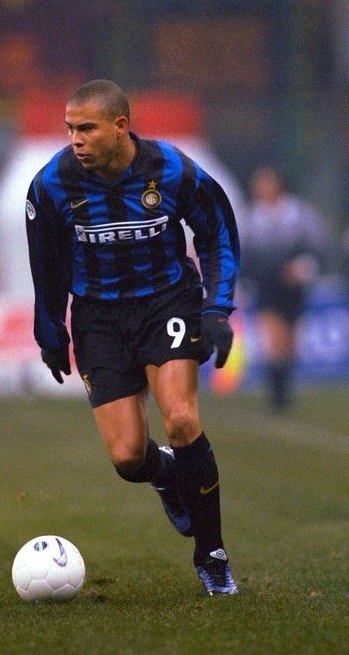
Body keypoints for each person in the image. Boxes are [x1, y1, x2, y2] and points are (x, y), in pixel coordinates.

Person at [25, 80, 240, 596]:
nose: (75, 139)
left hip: (166, 301)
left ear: (121, 126)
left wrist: (217, 309)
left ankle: (211, 554)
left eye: (87, 128)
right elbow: (46, 264)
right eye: (70, 129)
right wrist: (50, 328)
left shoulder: (173, 170)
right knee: (127, 458)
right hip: (98, 317)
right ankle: (166, 474)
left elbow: (218, 232)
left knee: (183, 419)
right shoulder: (50, 184)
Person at [241, 166, 330, 412]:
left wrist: (305, 268)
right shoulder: (253, 218)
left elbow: (318, 248)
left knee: (289, 345)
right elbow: (245, 255)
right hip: (266, 287)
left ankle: (284, 392)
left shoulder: (299, 215)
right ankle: (277, 398)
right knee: (273, 340)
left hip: (292, 288)